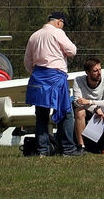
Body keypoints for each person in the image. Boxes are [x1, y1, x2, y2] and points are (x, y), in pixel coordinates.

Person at [24, 11, 80, 156]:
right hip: (55, 76)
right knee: (65, 113)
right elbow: (72, 50)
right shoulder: (57, 32)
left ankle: (42, 150)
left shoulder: (34, 36)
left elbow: (27, 62)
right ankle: (68, 149)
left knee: (41, 115)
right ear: (59, 22)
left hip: (37, 77)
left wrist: (37, 72)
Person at [73, 57, 104, 152]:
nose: (99, 73)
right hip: (87, 110)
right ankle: (81, 146)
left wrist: (90, 102)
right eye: (95, 71)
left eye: (100, 69)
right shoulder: (78, 81)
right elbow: (77, 102)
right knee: (79, 112)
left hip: (100, 108)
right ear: (87, 73)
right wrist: (95, 108)